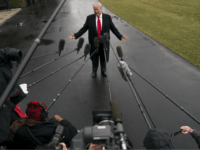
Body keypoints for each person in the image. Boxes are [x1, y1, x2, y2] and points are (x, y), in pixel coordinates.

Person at [68, 3, 128, 78]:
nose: (96, 11)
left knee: (103, 57)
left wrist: (120, 36)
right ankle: (94, 71)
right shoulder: (89, 18)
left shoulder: (107, 17)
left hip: (104, 43)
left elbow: (113, 28)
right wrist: (76, 35)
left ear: (101, 9)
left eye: (97, 9)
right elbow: (84, 29)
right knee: (94, 58)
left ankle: (103, 71)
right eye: (94, 9)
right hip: (94, 43)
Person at [5, 101, 78, 150]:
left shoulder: (18, 126)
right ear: (44, 116)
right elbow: (74, 132)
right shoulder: (54, 128)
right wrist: (61, 120)